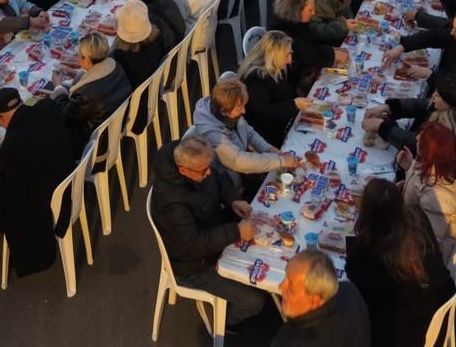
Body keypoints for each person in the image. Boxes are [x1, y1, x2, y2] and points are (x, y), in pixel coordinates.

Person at [148, 138, 272, 328]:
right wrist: (236, 232)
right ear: (184, 171)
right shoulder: (171, 203)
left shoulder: (193, 159)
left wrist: (234, 199)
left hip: (213, 228)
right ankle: (224, 322)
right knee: (255, 301)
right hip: (194, 266)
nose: (208, 173)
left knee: (262, 221)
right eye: (203, 171)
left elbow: (219, 177)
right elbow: (192, 244)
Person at [346, 178, 456, 347]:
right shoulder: (418, 219)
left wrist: (359, 240)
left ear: (367, 214)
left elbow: (354, 280)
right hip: (438, 310)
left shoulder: (374, 256)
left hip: (407, 334)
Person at [0, 87, 76, 276]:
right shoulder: (47, 107)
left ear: (0, 118)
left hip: (42, 210)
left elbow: (12, 193)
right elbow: (35, 150)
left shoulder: (12, 145)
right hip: (66, 185)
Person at [186, 75, 298, 187]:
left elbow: (249, 132)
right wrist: (280, 161)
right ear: (224, 111)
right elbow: (238, 161)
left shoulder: (229, 111)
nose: (244, 111)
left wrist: (269, 149)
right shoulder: (213, 134)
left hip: (242, 169)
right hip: (226, 179)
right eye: (240, 108)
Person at [400, 121, 456, 252]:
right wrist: (410, 167)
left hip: (432, 252)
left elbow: (426, 242)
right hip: (418, 226)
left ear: (430, 154)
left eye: (421, 141)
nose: (416, 138)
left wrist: (393, 207)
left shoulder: (438, 198)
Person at [51, 31, 131, 153]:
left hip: (92, 143)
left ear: (87, 61)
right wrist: (79, 75)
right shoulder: (116, 66)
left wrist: (58, 87)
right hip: (116, 125)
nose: (78, 58)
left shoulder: (86, 95)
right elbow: (97, 80)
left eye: (79, 56)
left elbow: (65, 115)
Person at [275, 247, 372, 347]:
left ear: (315, 300)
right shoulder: (349, 290)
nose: (281, 286)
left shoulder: (293, 341)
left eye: (291, 286)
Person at [238, 29, 305, 146]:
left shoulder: (274, 67)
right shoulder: (254, 78)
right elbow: (264, 112)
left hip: (280, 123)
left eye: (290, 53)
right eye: (286, 55)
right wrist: (294, 104)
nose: (290, 59)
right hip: (266, 136)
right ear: (273, 56)